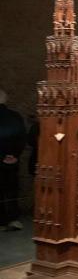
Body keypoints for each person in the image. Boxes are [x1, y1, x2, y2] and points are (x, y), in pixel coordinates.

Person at [0, 90, 27, 231]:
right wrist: (15, 155)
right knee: (11, 189)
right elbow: (22, 137)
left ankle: (1, 221)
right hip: (12, 160)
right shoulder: (15, 116)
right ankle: (13, 219)